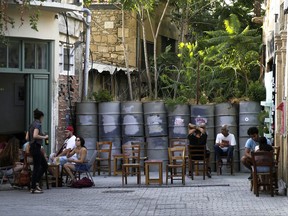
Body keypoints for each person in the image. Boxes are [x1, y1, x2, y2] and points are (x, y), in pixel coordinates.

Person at [28, 108, 48, 194]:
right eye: (42, 118)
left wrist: (41, 134)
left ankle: (35, 184)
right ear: (41, 117)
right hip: (36, 146)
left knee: (44, 165)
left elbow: (27, 137)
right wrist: (44, 137)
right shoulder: (38, 124)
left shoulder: (32, 124)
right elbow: (35, 135)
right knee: (37, 167)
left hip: (33, 146)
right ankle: (33, 187)